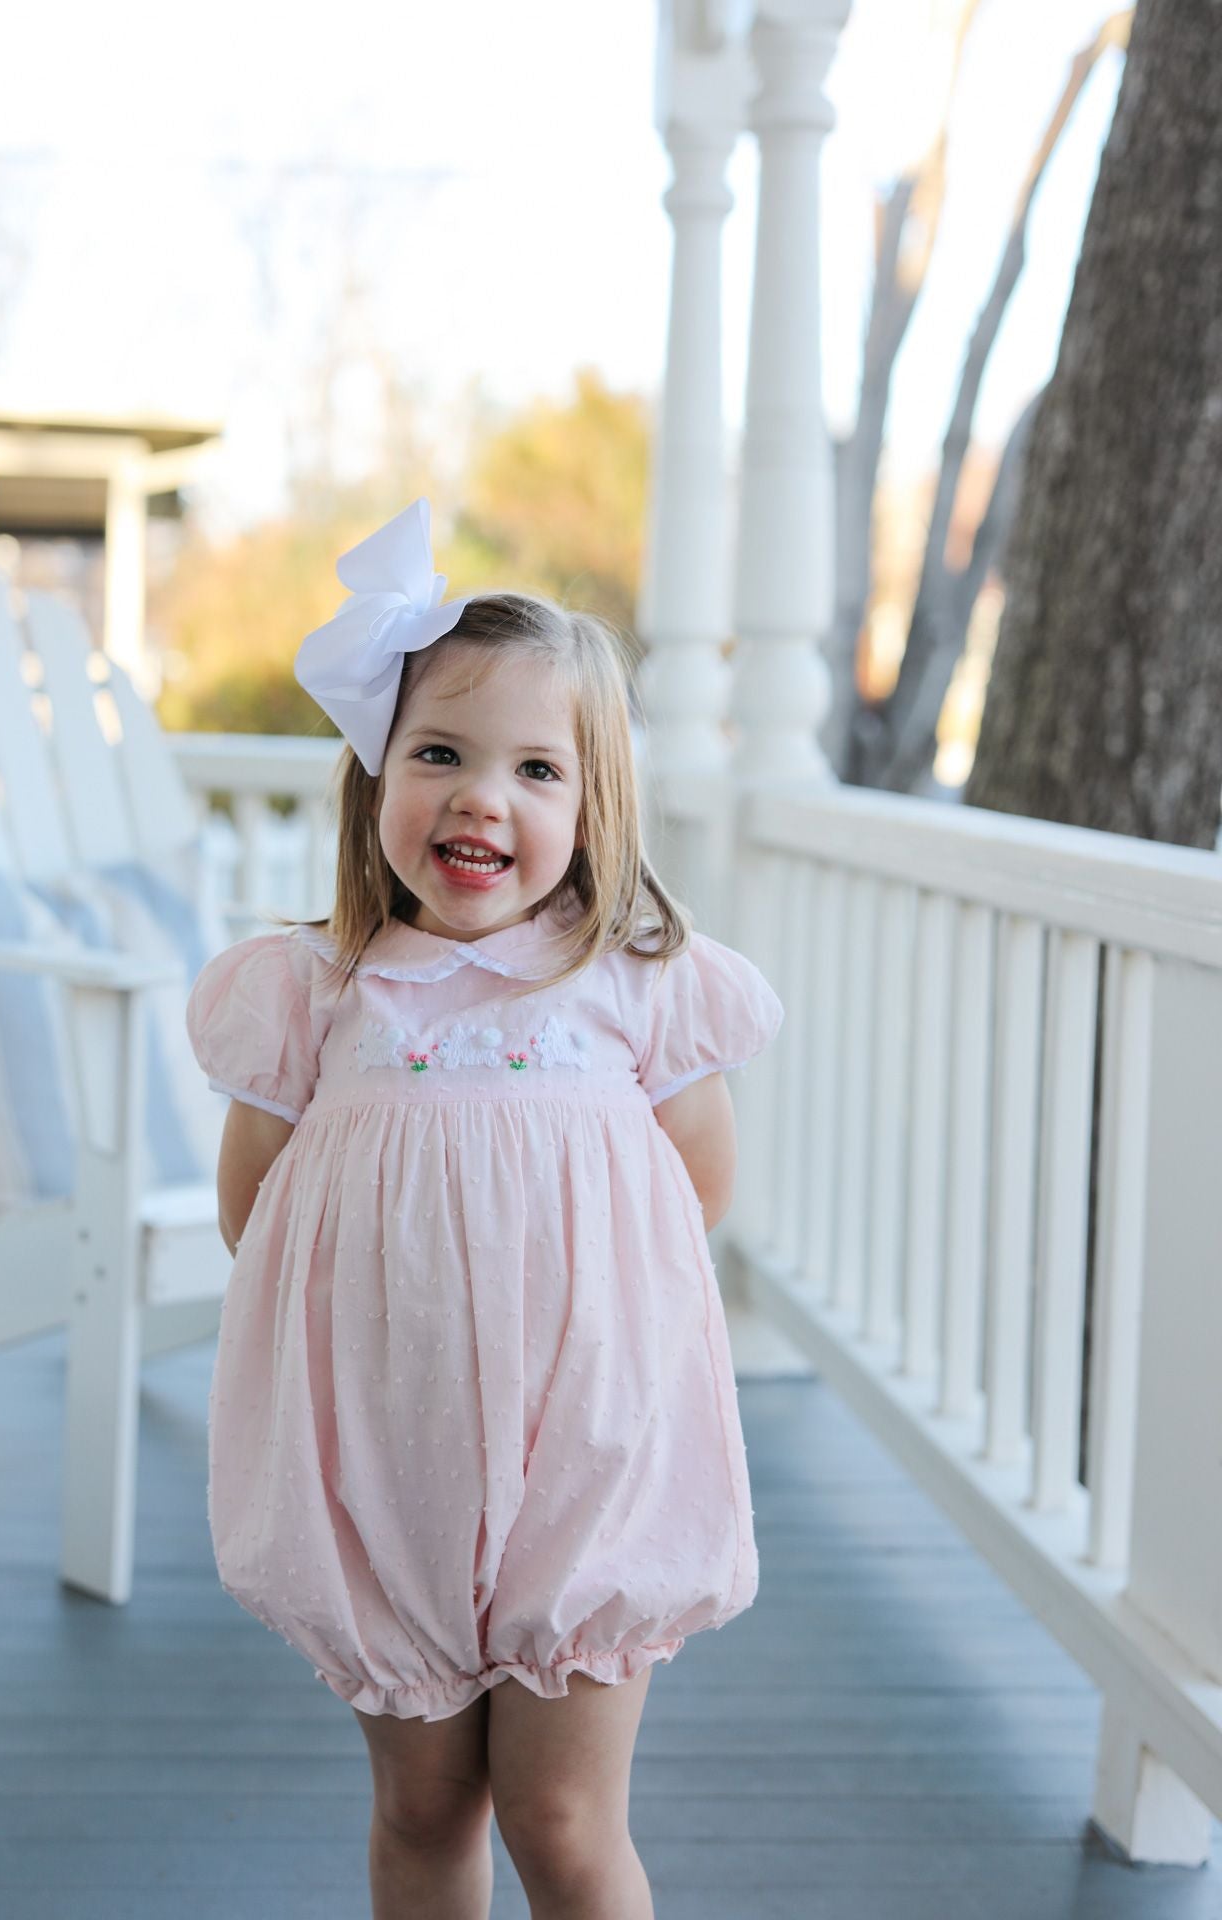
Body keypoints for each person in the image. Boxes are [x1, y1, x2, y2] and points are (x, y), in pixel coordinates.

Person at [185, 498, 784, 1920]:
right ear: (373, 777)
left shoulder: (629, 981)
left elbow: (694, 1179)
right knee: (428, 1805)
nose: (480, 798)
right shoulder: (316, 992)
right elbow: (253, 1206)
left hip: (589, 1446)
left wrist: (574, 1293)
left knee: (563, 1817)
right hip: (391, 1462)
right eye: (439, 754)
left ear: (593, 811)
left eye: (534, 769)